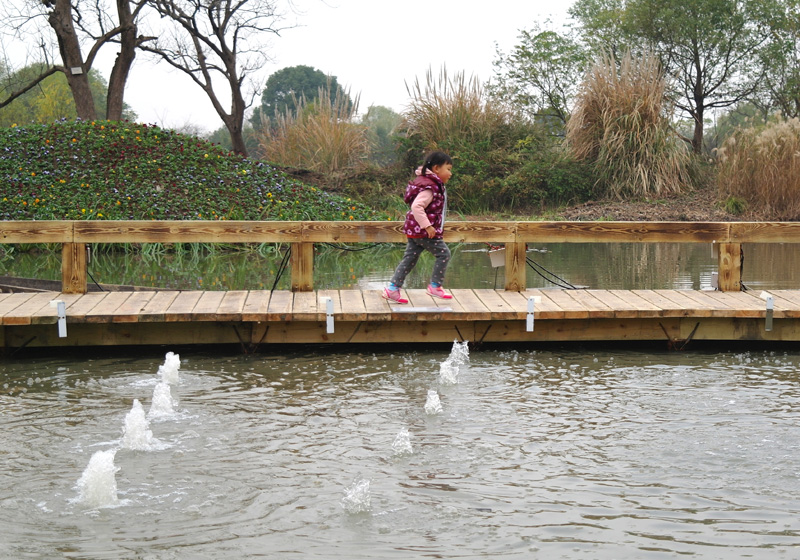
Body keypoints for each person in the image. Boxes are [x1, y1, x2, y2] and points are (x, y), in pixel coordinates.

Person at [383, 151, 454, 304]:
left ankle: (393, 289)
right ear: (436, 169)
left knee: (410, 259)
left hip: (415, 230)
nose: (450, 173)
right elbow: (417, 206)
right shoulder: (430, 187)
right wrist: (427, 226)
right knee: (444, 253)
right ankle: (435, 286)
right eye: (448, 169)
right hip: (422, 231)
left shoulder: (429, 183)